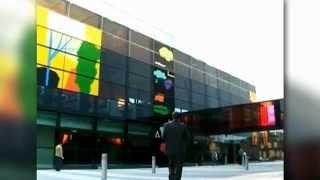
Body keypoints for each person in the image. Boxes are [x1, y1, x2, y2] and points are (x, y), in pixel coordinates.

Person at [163, 112, 191, 180]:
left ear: (172, 117)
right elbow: (188, 138)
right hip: (180, 150)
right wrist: (185, 146)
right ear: (179, 118)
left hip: (170, 150)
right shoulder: (183, 126)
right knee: (179, 166)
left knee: (171, 165)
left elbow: (164, 137)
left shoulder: (166, 125)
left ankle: (171, 178)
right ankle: (177, 178)